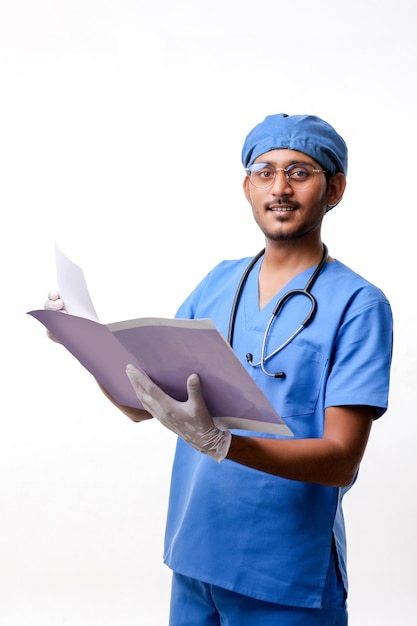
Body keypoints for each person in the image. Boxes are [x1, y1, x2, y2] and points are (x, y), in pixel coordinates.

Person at [45, 113, 393, 625]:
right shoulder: (218, 282)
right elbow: (140, 403)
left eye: (300, 172)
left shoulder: (359, 305)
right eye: (264, 172)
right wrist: (82, 342)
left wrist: (224, 444)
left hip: (285, 572)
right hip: (196, 556)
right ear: (247, 187)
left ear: (335, 189)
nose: (280, 188)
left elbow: (342, 460)